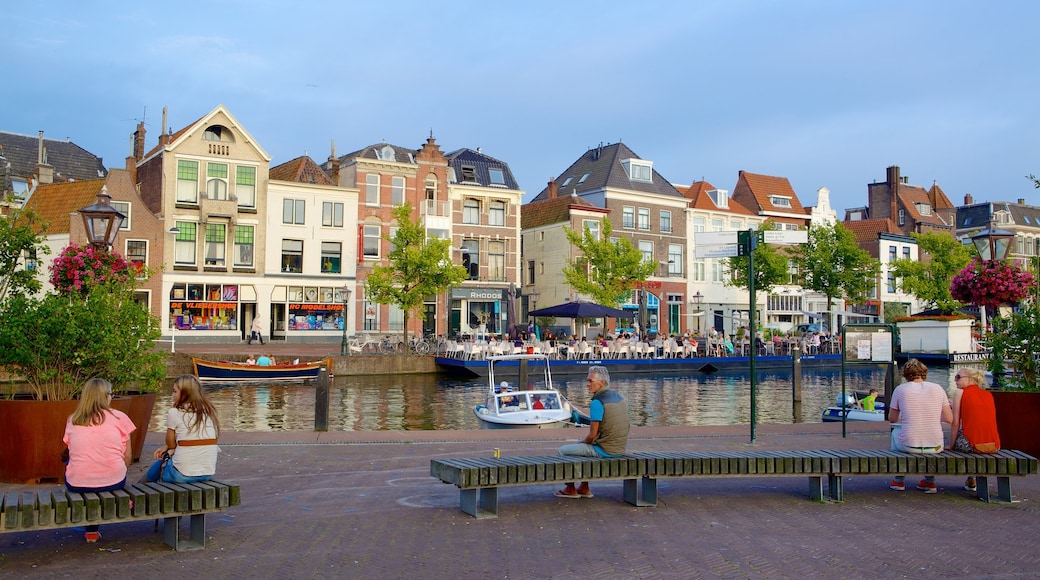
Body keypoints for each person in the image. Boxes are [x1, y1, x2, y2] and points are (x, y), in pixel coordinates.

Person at [62, 378, 136, 543]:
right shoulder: (120, 418)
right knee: (105, 466)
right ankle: (117, 501)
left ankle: (91, 533)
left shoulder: (73, 419)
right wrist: (116, 472)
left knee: (72, 463)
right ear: (105, 396)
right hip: (114, 481)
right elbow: (128, 456)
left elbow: (70, 450)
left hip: (78, 483)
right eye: (111, 394)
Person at [555, 366, 630, 499]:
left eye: (590, 381)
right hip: (620, 448)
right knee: (583, 450)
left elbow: (592, 436)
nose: (587, 384)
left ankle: (570, 488)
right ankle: (584, 487)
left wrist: (581, 441)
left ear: (601, 382)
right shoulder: (620, 397)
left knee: (563, 450)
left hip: (605, 450)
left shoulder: (597, 402)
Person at [888, 359, 952, 493]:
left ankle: (898, 480)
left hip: (909, 445)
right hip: (936, 446)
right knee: (931, 436)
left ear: (905, 374)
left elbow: (892, 419)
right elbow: (948, 418)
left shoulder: (900, 389)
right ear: (924, 373)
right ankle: (930, 482)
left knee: (895, 432)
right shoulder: (938, 388)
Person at [143, 375, 220, 484]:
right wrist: (169, 448)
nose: (172, 395)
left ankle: (142, 486)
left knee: (163, 460)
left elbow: (171, 444)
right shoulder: (209, 412)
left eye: (175, 391)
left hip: (182, 475)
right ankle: (142, 486)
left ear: (185, 393)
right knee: (170, 453)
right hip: (207, 473)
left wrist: (169, 449)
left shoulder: (174, 412)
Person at [947, 367, 1000, 493]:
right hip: (994, 444)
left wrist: (951, 445)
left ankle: (971, 478)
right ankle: (972, 479)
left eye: (958, 377)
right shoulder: (988, 394)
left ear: (970, 379)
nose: (955, 380)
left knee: (962, 434)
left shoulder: (960, 393)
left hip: (972, 444)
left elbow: (955, 423)